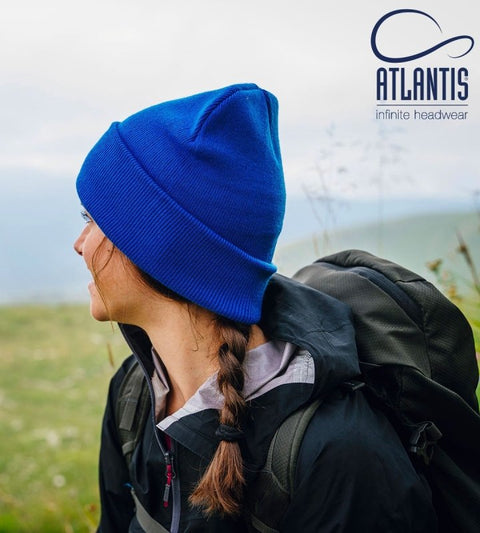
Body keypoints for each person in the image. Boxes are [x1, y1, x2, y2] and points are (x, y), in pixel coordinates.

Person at [72, 84, 436, 532]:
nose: (80, 244)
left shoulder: (339, 454)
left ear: (158, 245)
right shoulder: (134, 392)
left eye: (93, 220)